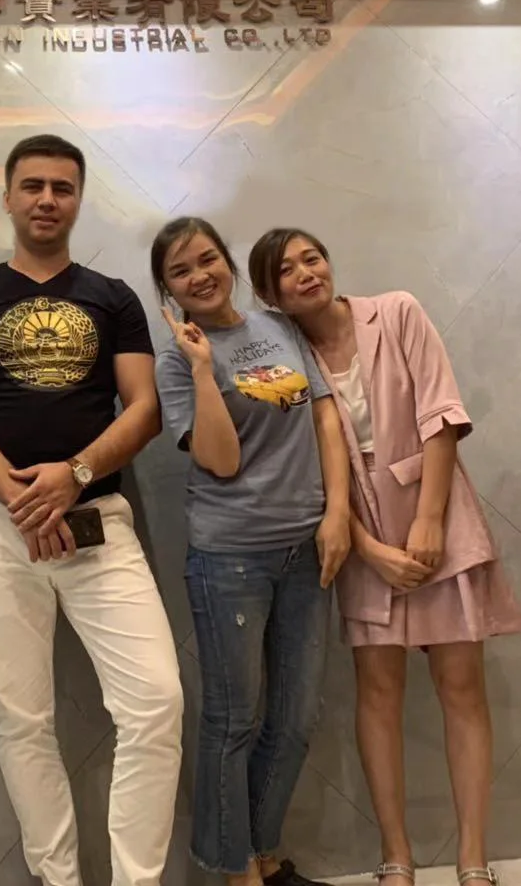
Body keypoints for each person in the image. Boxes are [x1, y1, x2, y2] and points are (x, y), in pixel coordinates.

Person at [0, 134, 184, 886]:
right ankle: (57, 878)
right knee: (22, 719)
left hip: (98, 521)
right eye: (33, 186)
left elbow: (144, 410)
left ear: (78, 201)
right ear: (8, 196)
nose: (47, 200)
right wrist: (24, 502)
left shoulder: (113, 296)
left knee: (157, 704)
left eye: (62, 188)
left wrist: (73, 477)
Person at [254, 228, 521, 886]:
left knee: (462, 688)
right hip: (357, 531)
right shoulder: (283, 361)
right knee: (377, 693)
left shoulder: (397, 311)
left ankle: (473, 859)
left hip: (438, 509)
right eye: (287, 269)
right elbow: (307, 465)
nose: (306, 272)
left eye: (312, 257)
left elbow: (442, 415)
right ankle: (395, 857)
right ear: (269, 294)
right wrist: (370, 549)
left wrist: (430, 523)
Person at [150, 217, 351, 886]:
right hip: (229, 559)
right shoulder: (175, 362)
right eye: (181, 271)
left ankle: (261, 853)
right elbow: (220, 459)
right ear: (167, 289)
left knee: (295, 719)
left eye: (207, 259)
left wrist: (337, 513)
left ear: (228, 262)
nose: (199, 276)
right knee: (233, 719)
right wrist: (204, 370)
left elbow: (324, 414)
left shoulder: (279, 326)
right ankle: (237, 872)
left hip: (306, 549)